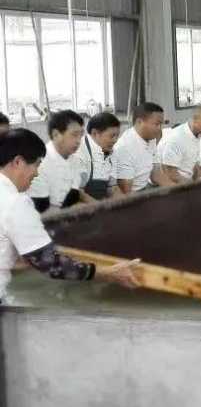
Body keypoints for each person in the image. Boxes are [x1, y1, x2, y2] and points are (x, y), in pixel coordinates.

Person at [0, 128, 140, 301]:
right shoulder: (15, 202)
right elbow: (52, 265)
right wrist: (108, 273)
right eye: (36, 165)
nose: (36, 173)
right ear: (18, 162)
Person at [26, 110, 85, 212]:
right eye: (74, 135)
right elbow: (40, 208)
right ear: (56, 134)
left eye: (81, 135)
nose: (79, 141)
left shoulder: (75, 159)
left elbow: (74, 194)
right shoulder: (39, 163)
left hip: (67, 213)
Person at [113, 102, 171, 194]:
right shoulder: (124, 148)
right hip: (132, 195)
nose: (160, 129)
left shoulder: (151, 139)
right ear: (139, 122)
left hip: (145, 188)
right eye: (157, 124)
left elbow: (155, 174)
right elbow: (126, 191)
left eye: (161, 125)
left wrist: (177, 189)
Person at [157, 106, 201, 185]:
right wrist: (193, 185)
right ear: (195, 120)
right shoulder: (176, 139)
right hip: (167, 185)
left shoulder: (197, 135)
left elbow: (193, 167)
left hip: (184, 182)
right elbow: (171, 174)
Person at [75, 112, 122, 201]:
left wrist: (124, 202)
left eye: (117, 136)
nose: (115, 140)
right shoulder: (79, 151)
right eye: (112, 136)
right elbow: (78, 192)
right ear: (95, 133)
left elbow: (112, 187)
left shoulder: (111, 151)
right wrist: (98, 206)